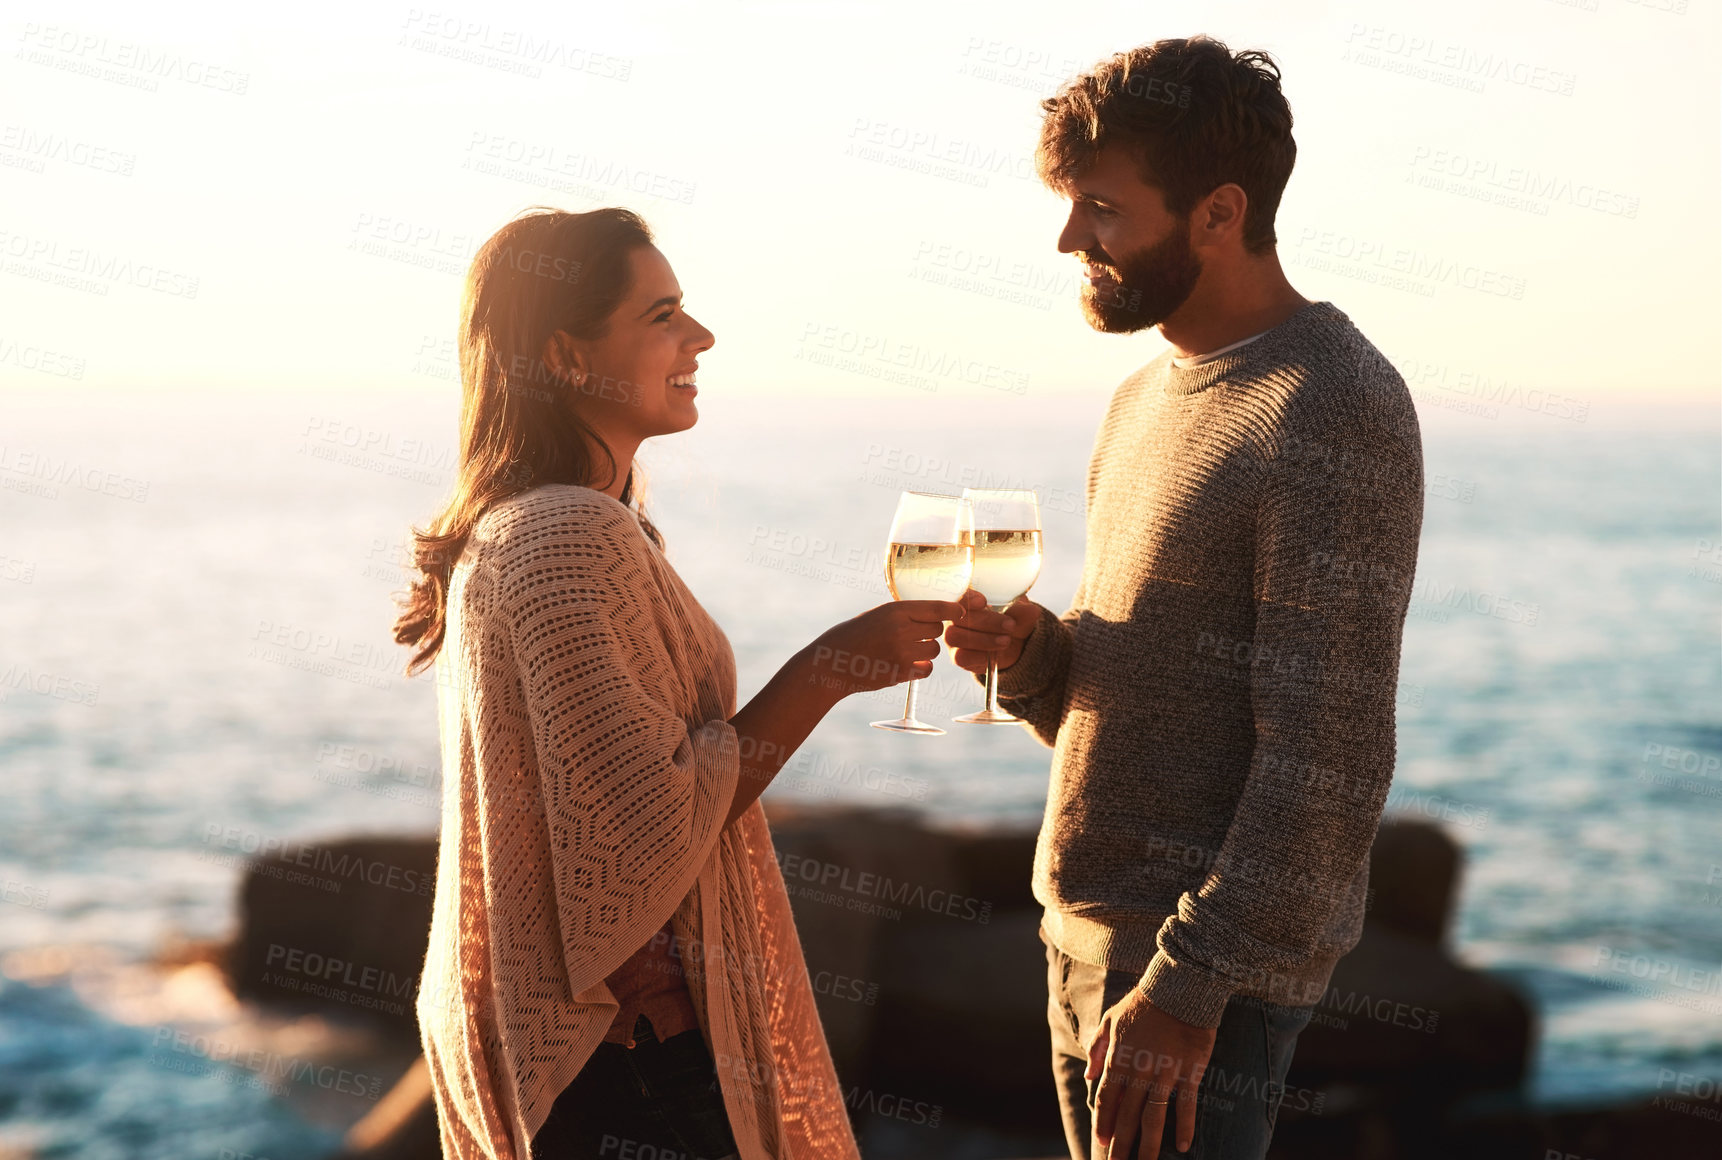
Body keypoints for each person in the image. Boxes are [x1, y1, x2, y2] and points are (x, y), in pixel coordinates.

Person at [392, 206, 960, 1160]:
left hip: (596, 1053)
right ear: (566, 354)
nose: (699, 337)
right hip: (633, 1059)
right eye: (661, 316)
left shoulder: (526, 522)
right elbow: (643, 830)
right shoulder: (571, 535)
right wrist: (827, 669)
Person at [946, 37, 1426, 1160]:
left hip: (1188, 989)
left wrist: (1188, 989)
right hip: (1084, 948)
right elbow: (1131, 697)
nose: (1072, 239)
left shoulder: (1332, 406)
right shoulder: (1143, 398)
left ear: (1218, 213)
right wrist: (1031, 656)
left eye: (1102, 208)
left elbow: (1332, 756)